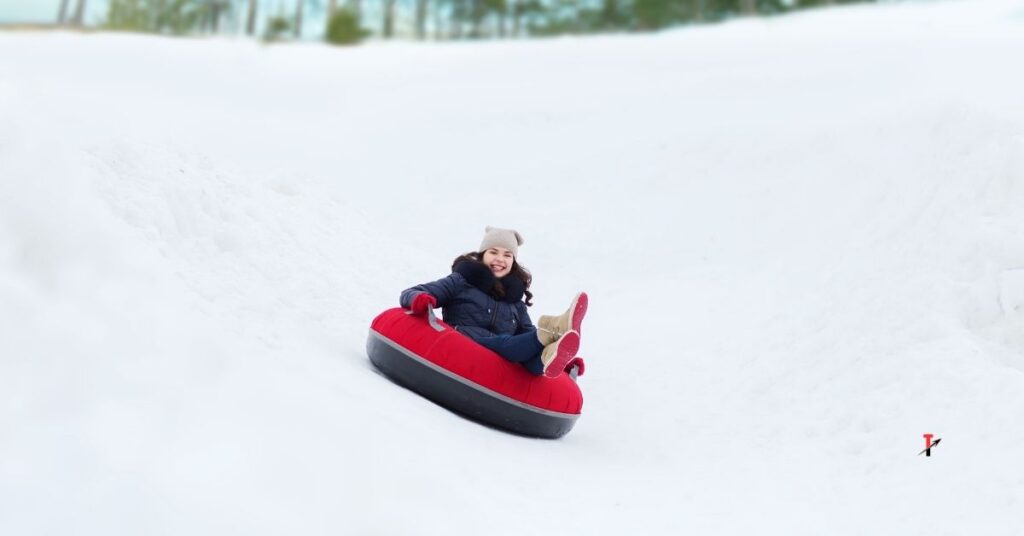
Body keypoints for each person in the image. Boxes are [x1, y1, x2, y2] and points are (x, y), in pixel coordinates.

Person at [400, 226, 587, 378]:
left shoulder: (516, 302)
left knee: (533, 364)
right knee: (504, 342)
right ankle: (552, 328)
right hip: (466, 342)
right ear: (482, 254)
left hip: (504, 357)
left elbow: (526, 335)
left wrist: (564, 363)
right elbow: (411, 293)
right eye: (493, 252)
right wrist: (421, 299)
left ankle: (553, 351)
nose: (500, 259)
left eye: (507, 255)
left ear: (513, 261)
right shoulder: (461, 281)